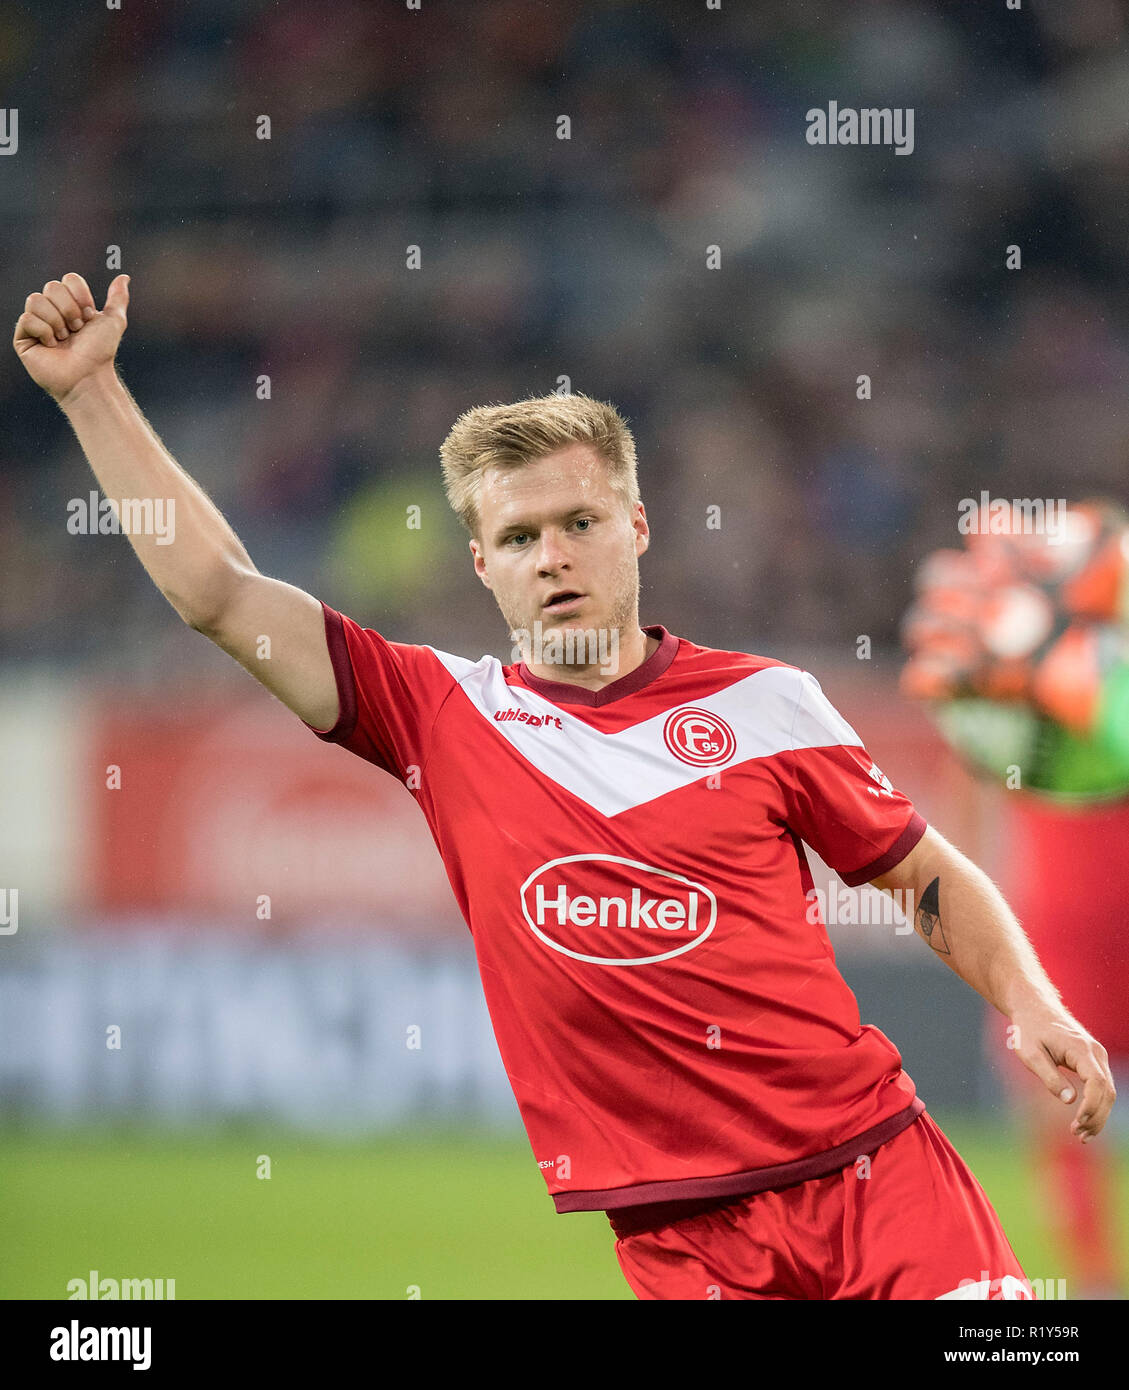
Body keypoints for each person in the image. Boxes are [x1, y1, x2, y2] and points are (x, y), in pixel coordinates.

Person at [13, 272, 1116, 1301]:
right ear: (481, 563)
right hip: (681, 1241)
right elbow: (218, 593)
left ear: (635, 528)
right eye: (520, 536)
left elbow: (919, 871)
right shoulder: (435, 714)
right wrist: (95, 393)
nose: (553, 555)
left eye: (580, 522)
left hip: (882, 1175)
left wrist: (1031, 1000)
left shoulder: (767, 703)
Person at [900, 504, 1129, 1299]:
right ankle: (1095, 1283)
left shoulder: (1007, 678)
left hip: (1061, 918)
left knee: (1059, 1110)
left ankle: (1094, 1281)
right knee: (1062, 1108)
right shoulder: (1020, 681)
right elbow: (958, 800)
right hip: (1062, 922)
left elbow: (956, 799)